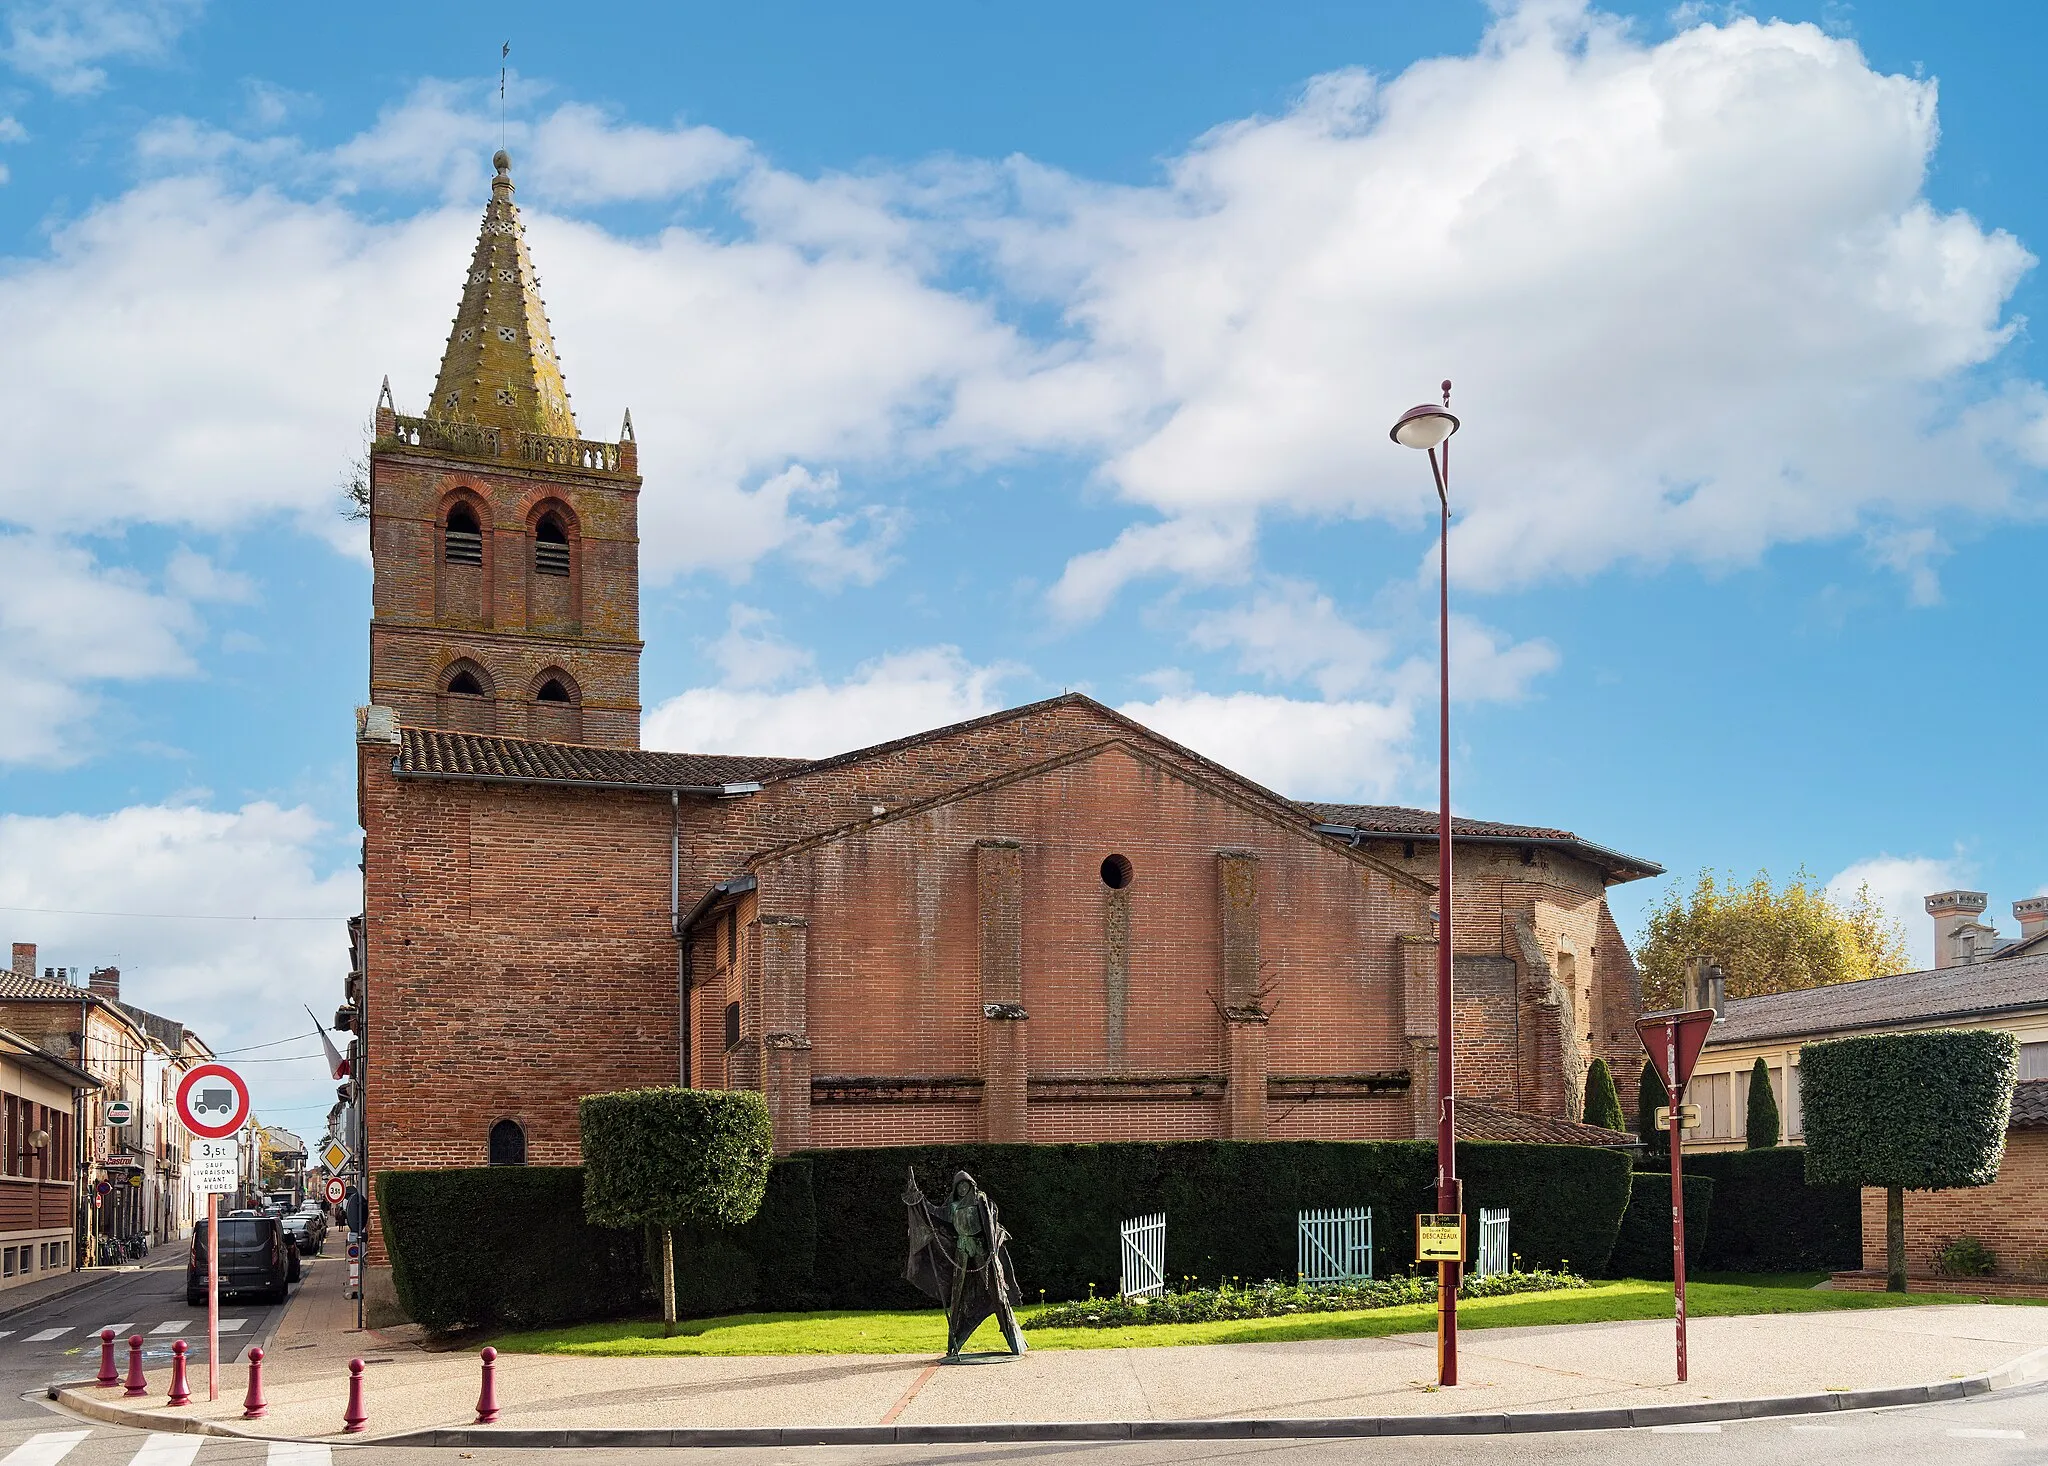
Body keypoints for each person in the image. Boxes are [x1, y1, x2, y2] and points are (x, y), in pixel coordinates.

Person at [902, 1168, 1027, 1359]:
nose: (962, 1189)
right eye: (959, 1186)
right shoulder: (953, 1206)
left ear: (971, 1185)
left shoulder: (980, 1200)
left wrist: (992, 1248)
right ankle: (954, 1342)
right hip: (962, 1247)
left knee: (995, 1288)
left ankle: (1013, 1337)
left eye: (965, 1185)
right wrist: (919, 1200)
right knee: (957, 1291)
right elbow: (934, 1212)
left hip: (980, 1248)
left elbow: (990, 1223)